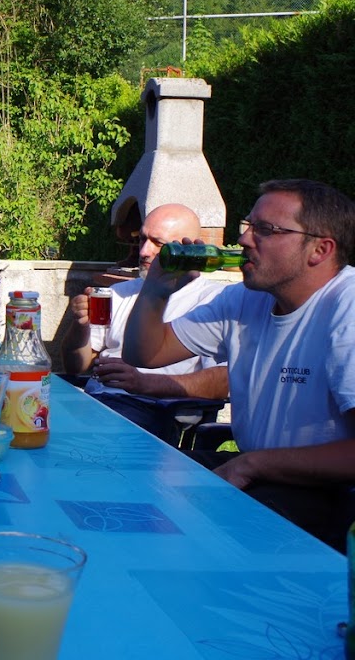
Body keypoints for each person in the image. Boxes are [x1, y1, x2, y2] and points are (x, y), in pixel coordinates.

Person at [125, 179, 355, 551]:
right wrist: (156, 289)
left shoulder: (347, 309)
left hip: (331, 494)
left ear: (320, 249)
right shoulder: (245, 299)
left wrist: (254, 465)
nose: (245, 240)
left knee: (193, 535)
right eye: (249, 226)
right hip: (259, 471)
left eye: (266, 230)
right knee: (131, 475)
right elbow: (146, 355)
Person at [60, 203, 229, 443]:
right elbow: (75, 366)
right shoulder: (118, 293)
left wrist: (142, 383)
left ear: (189, 248)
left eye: (158, 244)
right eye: (142, 240)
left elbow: (223, 381)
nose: (144, 252)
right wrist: (80, 326)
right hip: (95, 402)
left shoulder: (213, 301)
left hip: (153, 410)